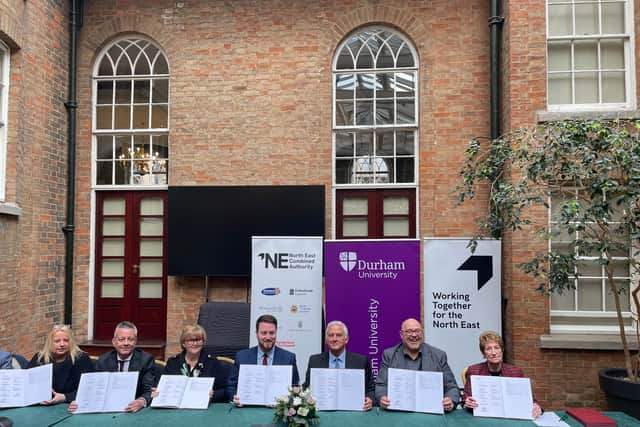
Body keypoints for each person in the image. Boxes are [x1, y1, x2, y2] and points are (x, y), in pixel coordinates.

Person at [68, 321, 155, 413]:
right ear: (114, 342)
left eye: (130, 339)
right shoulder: (103, 361)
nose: (126, 343)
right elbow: (94, 389)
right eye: (121, 339)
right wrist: (79, 402)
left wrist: (141, 401)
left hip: (133, 409)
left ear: (136, 341)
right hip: (108, 409)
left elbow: (149, 390)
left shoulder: (145, 360)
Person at [375, 318, 459, 412]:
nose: (414, 335)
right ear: (401, 334)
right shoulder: (389, 355)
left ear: (422, 333)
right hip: (398, 412)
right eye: (409, 331)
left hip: (430, 412)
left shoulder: (439, 355)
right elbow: (381, 385)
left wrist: (450, 400)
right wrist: (382, 397)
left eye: (417, 331)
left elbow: (451, 386)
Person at [462, 330, 543, 418]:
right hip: (482, 417)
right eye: (488, 349)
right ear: (483, 354)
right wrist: (467, 402)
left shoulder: (516, 372)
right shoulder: (474, 371)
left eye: (497, 348)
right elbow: (465, 399)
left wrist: (536, 406)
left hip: (510, 417)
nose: (493, 353)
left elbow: (529, 400)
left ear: (502, 350)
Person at [228, 314, 300, 405]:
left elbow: (295, 387)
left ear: (276, 333)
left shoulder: (289, 358)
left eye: (271, 333)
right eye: (264, 333)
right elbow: (231, 386)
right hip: (247, 409)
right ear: (257, 334)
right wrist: (234, 397)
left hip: (277, 412)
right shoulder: (242, 357)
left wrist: (289, 400)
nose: (268, 337)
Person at [304, 320, 374, 411]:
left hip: (353, 413)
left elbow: (370, 388)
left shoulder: (361, 361)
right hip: (323, 413)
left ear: (346, 339)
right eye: (330, 335)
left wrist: (369, 399)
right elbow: (307, 387)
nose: (334, 339)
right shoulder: (315, 361)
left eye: (339, 335)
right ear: (326, 340)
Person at [161, 324, 229, 403]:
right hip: (177, 408)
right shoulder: (173, 362)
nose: (195, 343)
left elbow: (224, 391)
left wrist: (213, 395)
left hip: (204, 408)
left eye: (198, 340)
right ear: (183, 343)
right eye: (191, 340)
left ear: (203, 342)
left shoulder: (213, 362)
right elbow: (165, 388)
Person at [28, 324, 94, 404]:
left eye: (66, 340)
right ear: (50, 342)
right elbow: (27, 384)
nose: (62, 344)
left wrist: (64, 397)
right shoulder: (39, 358)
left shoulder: (81, 358)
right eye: (57, 341)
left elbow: (89, 389)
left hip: (70, 404)